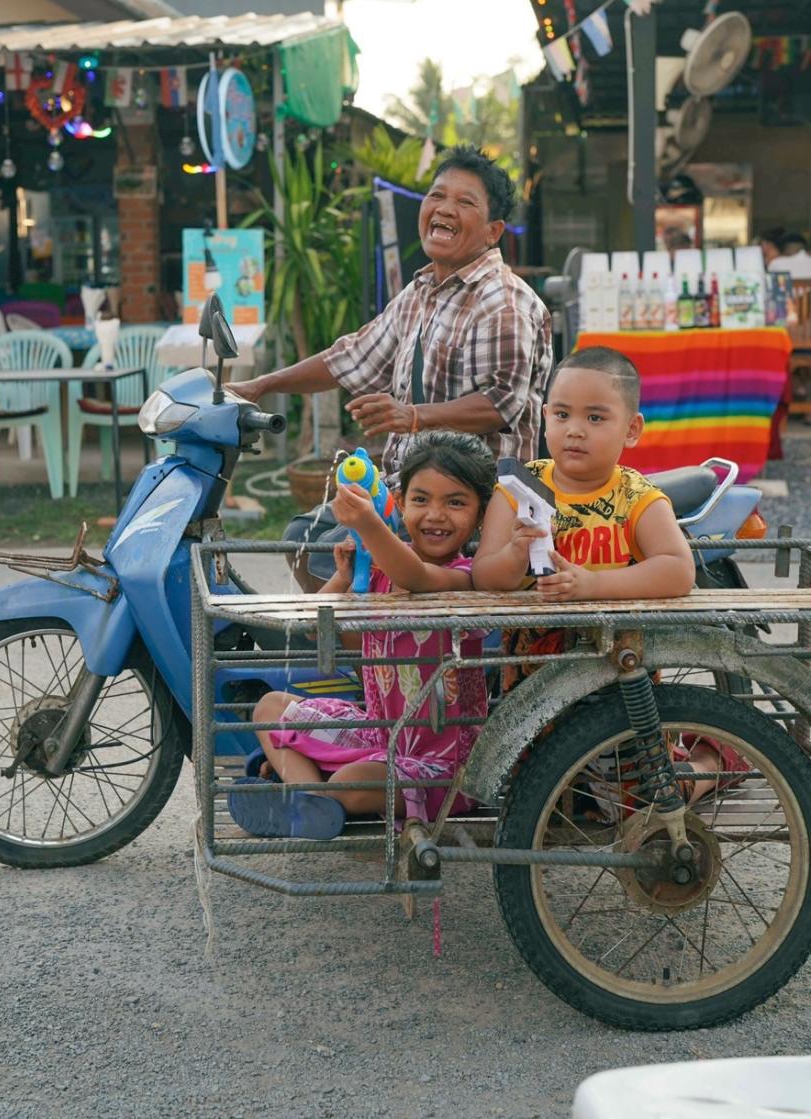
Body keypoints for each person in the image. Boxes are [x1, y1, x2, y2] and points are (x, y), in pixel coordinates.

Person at [230, 146, 552, 587]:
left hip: (471, 507)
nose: (444, 209)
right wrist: (259, 386)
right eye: (437, 196)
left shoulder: (503, 301)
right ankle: (358, 654)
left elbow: (500, 404)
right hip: (407, 492)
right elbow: (350, 357)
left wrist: (413, 416)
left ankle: (378, 652)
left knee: (329, 552)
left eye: (465, 202)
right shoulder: (422, 292)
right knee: (304, 537)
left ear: (494, 231)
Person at [472, 346, 745, 803]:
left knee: (639, 800)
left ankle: (713, 762)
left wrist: (592, 585)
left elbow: (678, 570)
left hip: (620, 672)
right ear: (544, 419)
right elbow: (485, 576)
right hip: (533, 674)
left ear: (631, 429)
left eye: (596, 418)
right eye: (562, 414)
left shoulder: (636, 496)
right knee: (534, 796)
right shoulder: (518, 490)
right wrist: (516, 550)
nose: (575, 430)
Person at [227, 433, 497, 840]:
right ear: (401, 503)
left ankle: (303, 789)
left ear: (480, 515)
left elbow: (417, 577)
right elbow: (315, 626)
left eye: (455, 502)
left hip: (442, 764)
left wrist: (369, 525)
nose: (435, 515)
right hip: (379, 731)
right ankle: (308, 803)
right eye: (421, 500)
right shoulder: (376, 573)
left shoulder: (466, 578)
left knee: (350, 785)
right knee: (270, 707)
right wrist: (340, 579)